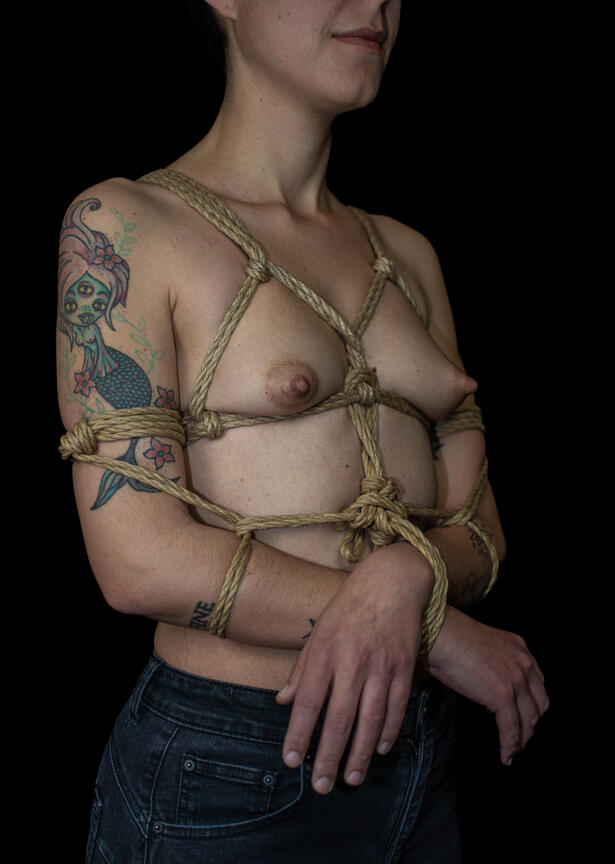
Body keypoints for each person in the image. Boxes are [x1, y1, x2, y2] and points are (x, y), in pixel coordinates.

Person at [56, 2, 549, 861]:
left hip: (422, 753)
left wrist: (402, 576)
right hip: (231, 762)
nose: (374, 5)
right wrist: (430, 628)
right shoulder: (126, 225)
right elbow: (138, 560)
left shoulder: (408, 254)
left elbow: (480, 527)